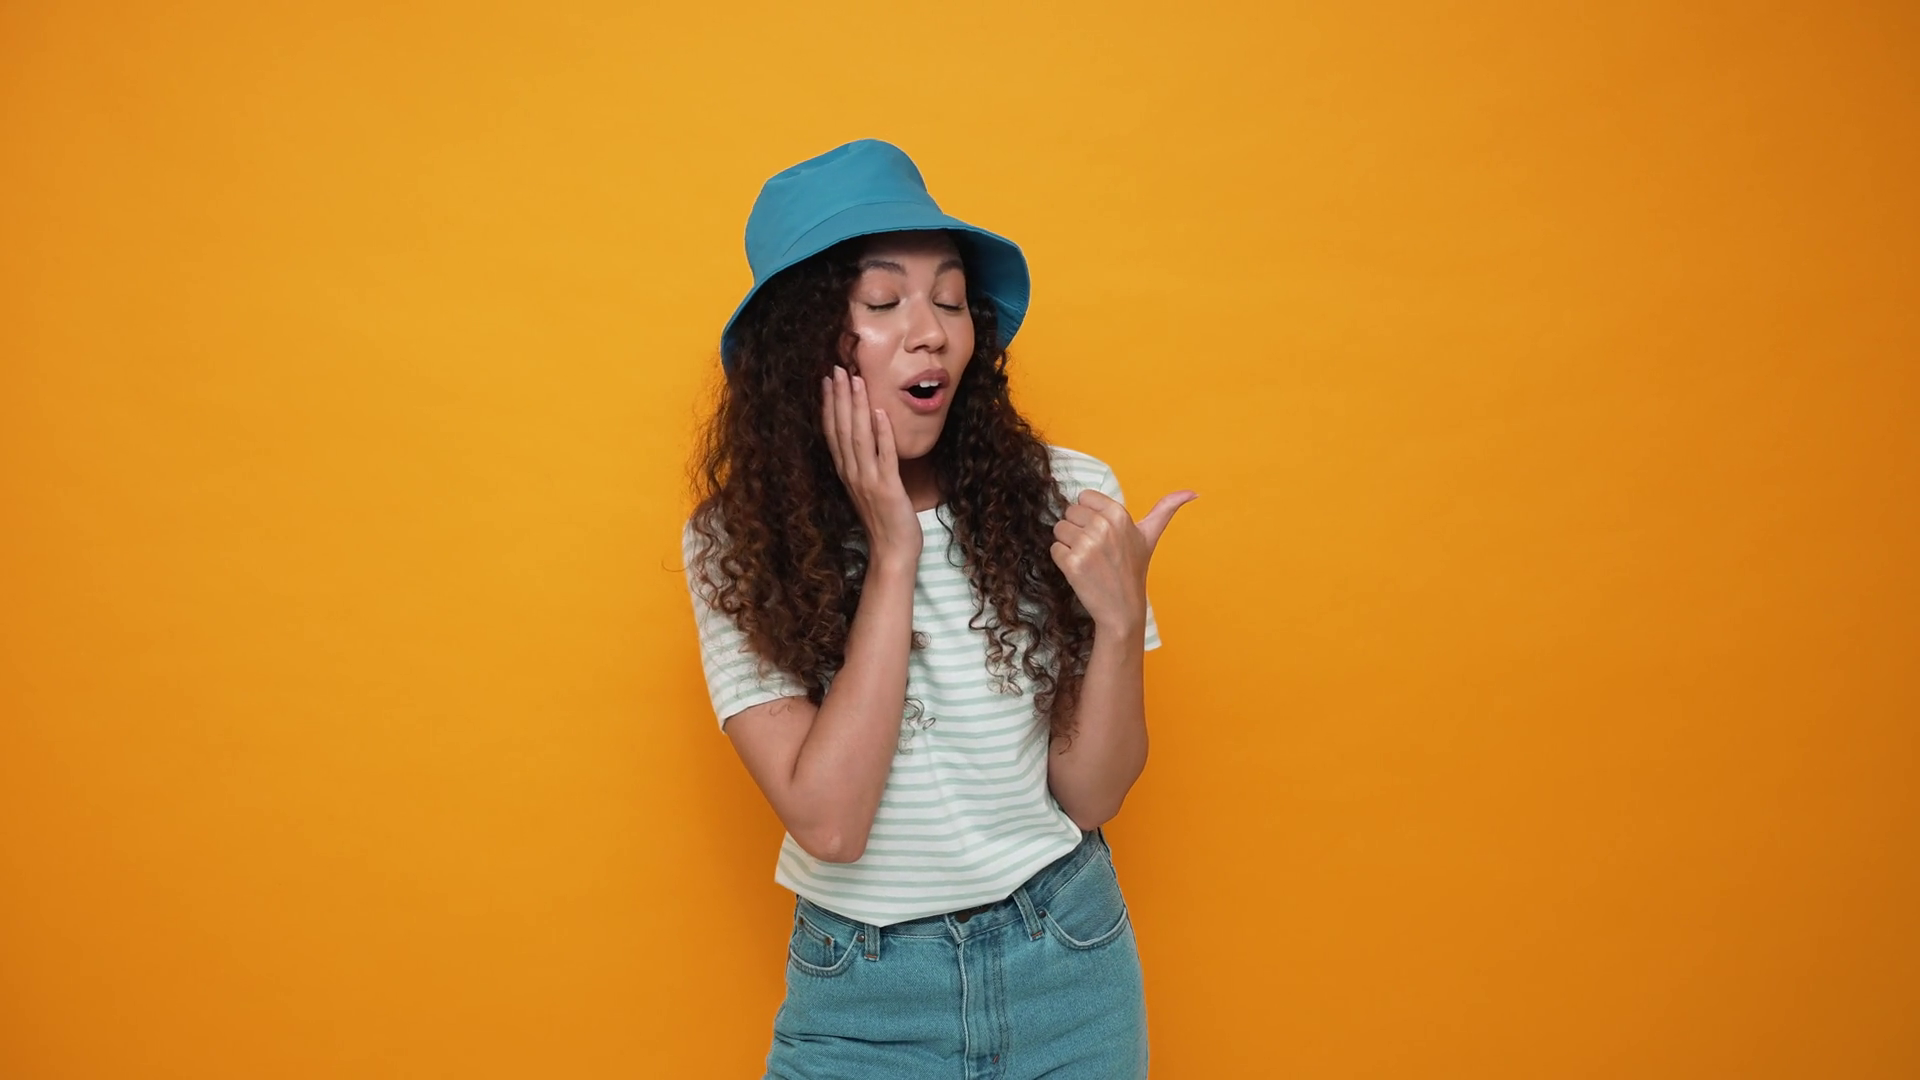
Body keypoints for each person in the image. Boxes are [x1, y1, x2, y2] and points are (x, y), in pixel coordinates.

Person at [682, 138, 1193, 1080]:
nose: (930, 333)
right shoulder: (737, 540)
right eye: (883, 303)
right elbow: (831, 825)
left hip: (1068, 963)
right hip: (863, 997)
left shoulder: (1066, 496)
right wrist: (893, 551)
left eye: (951, 300)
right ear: (804, 345)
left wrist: (1121, 623)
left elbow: (1092, 797)